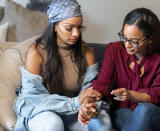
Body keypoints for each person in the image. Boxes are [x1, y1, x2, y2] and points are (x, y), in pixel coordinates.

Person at [13, 0, 112, 131]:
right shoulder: (37, 52)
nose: (76, 33)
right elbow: (33, 97)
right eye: (69, 28)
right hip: (42, 109)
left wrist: (86, 104)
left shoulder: (87, 51)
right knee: (53, 124)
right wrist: (75, 102)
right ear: (55, 26)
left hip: (73, 109)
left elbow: (89, 88)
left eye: (79, 27)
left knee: (103, 123)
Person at [78, 8, 160, 131]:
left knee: (144, 109)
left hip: (155, 112)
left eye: (134, 41)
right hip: (123, 111)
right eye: (124, 37)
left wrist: (131, 95)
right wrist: (88, 101)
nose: (127, 44)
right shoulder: (114, 50)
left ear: (150, 39)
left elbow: (158, 95)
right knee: (132, 122)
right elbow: (102, 84)